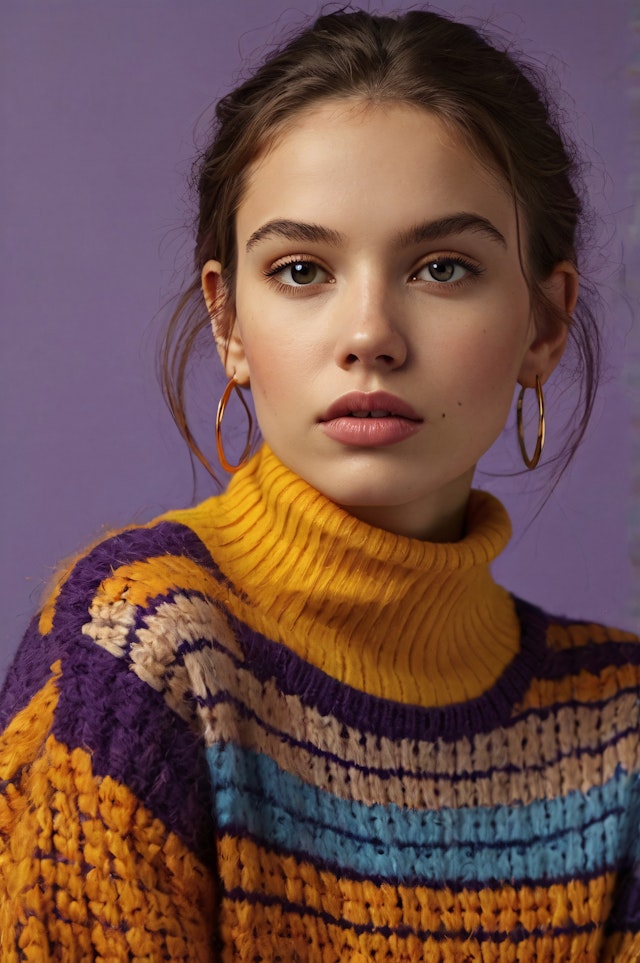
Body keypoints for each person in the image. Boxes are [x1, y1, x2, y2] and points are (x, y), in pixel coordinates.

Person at [0, 7, 637, 961]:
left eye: (443, 267)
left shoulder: (621, 722)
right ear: (228, 322)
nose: (370, 333)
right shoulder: (142, 648)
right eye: (303, 269)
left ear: (545, 324)